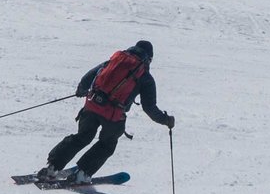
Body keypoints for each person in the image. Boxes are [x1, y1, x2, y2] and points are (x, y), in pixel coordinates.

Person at [38, 40, 172, 184]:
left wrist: (81, 90)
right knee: (107, 144)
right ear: (149, 59)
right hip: (113, 116)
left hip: (91, 105)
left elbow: (88, 77)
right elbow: (149, 108)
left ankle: (52, 167)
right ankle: (82, 174)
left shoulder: (115, 60)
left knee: (82, 137)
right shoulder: (145, 76)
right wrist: (166, 120)